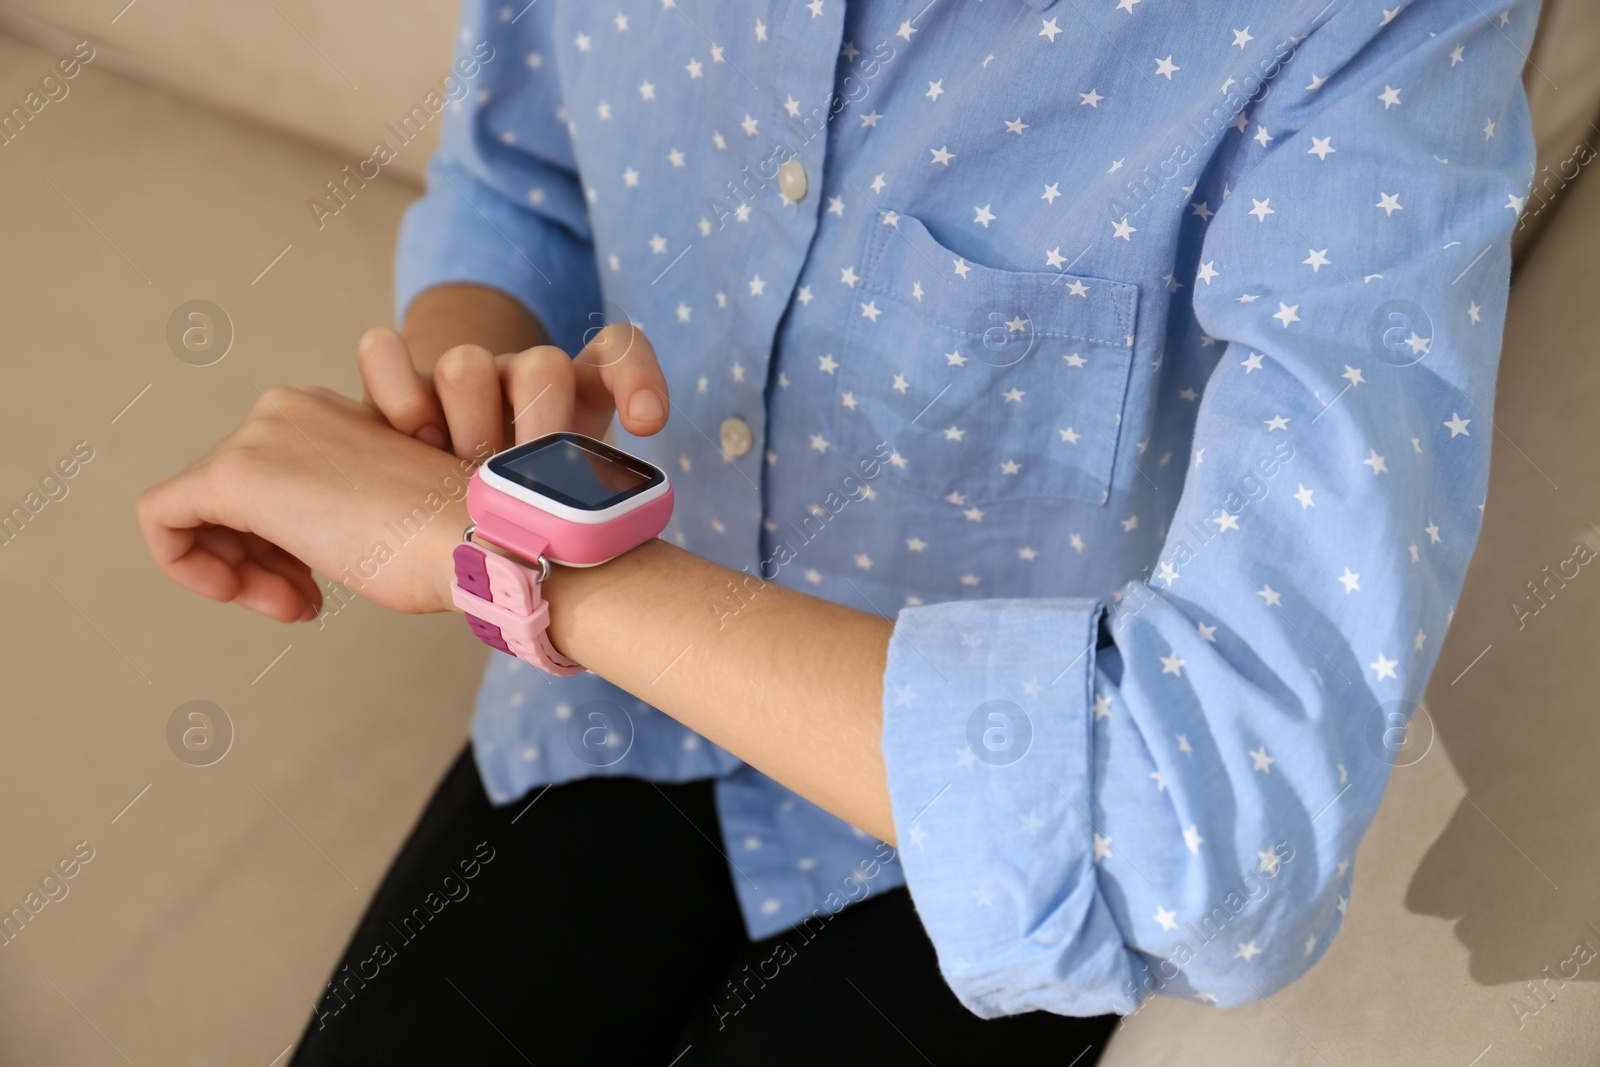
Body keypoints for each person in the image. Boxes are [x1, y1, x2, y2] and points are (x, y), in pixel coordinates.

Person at [135, 0, 1541, 1062]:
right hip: (596, 730)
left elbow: (1213, 840)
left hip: (986, 860)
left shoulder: (1376, 29)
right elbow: (519, 182)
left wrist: (517, 561)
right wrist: (472, 384)